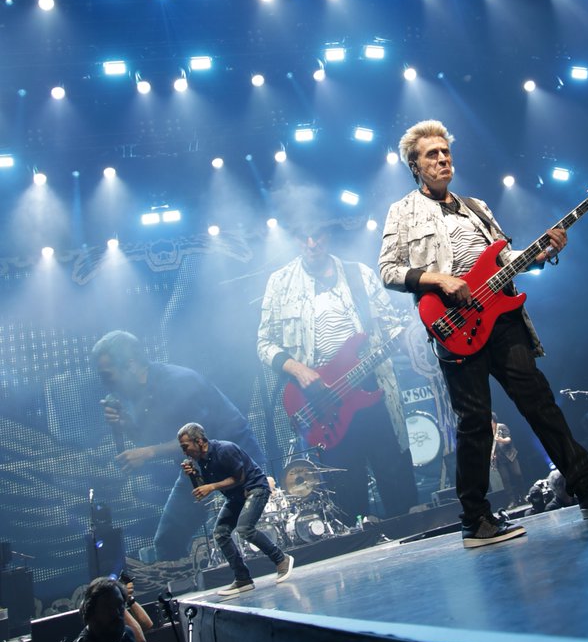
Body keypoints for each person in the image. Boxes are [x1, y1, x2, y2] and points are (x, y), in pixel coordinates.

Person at [379, 119, 588, 548]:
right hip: (454, 323)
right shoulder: (403, 212)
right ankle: (475, 520)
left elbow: (504, 256)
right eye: (431, 155)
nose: (442, 159)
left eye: (445, 152)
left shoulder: (475, 206)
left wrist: (541, 251)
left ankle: (586, 489)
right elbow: (388, 270)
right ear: (414, 166)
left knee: (540, 402)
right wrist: (438, 280)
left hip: (502, 318)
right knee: (475, 422)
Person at [257, 224, 418, 526]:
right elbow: (264, 344)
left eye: (317, 235)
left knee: (395, 477)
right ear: (294, 239)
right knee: (346, 495)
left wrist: (407, 335)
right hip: (322, 401)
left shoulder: (358, 274)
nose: (311, 242)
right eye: (303, 236)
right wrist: (298, 369)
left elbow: (389, 323)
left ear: (327, 236)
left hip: (371, 387)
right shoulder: (280, 283)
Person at [91, 330, 268, 561]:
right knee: (168, 541)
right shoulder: (137, 395)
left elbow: (199, 439)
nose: (105, 383)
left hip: (236, 464)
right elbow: (159, 438)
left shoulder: (177, 382)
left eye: (108, 375)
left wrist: (148, 453)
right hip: (197, 470)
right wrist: (127, 426)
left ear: (131, 365)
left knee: (242, 535)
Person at [178, 422, 293, 595]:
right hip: (235, 497)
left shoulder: (225, 450)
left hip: (254, 488)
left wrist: (211, 487)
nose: (184, 452)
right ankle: (242, 578)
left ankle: (281, 559)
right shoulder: (202, 460)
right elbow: (205, 489)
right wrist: (194, 475)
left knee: (245, 529)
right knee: (220, 533)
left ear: (199, 441)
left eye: (185, 446)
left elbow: (239, 478)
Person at [490, 412, 527, 506]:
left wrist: (501, 440)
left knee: (517, 474)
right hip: (499, 459)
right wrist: (492, 455)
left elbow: (508, 439)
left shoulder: (501, 427)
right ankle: (512, 500)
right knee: (505, 479)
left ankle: (523, 496)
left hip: (510, 455)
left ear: (493, 419)